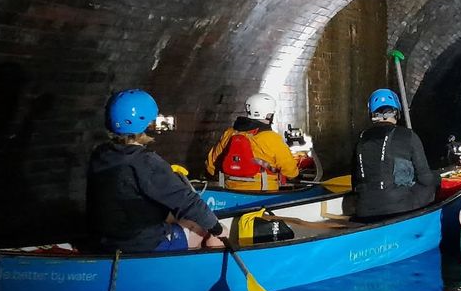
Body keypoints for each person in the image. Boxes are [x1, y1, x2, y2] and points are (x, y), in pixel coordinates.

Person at [87, 88, 224, 253]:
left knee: (175, 219)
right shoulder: (146, 161)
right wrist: (217, 228)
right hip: (141, 244)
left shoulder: (100, 154)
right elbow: (187, 201)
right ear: (145, 123)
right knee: (202, 231)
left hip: (106, 241)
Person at [351, 88, 436, 220]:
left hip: (364, 209)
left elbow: (355, 182)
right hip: (398, 207)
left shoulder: (361, 138)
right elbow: (426, 179)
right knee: (431, 184)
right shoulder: (409, 136)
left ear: (371, 114)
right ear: (397, 113)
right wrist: (437, 178)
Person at [205, 92, 307, 191]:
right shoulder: (272, 138)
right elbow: (290, 171)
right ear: (269, 115)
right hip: (262, 192)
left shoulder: (229, 133)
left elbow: (211, 166)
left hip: (230, 189)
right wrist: (295, 174)